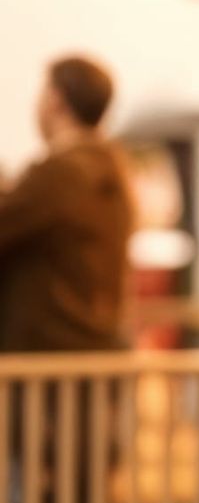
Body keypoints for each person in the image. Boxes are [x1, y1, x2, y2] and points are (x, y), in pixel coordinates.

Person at [0, 54, 132, 353]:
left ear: (55, 100)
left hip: (49, 357)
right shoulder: (111, 167)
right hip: (91, 353)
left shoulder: (60, 173)